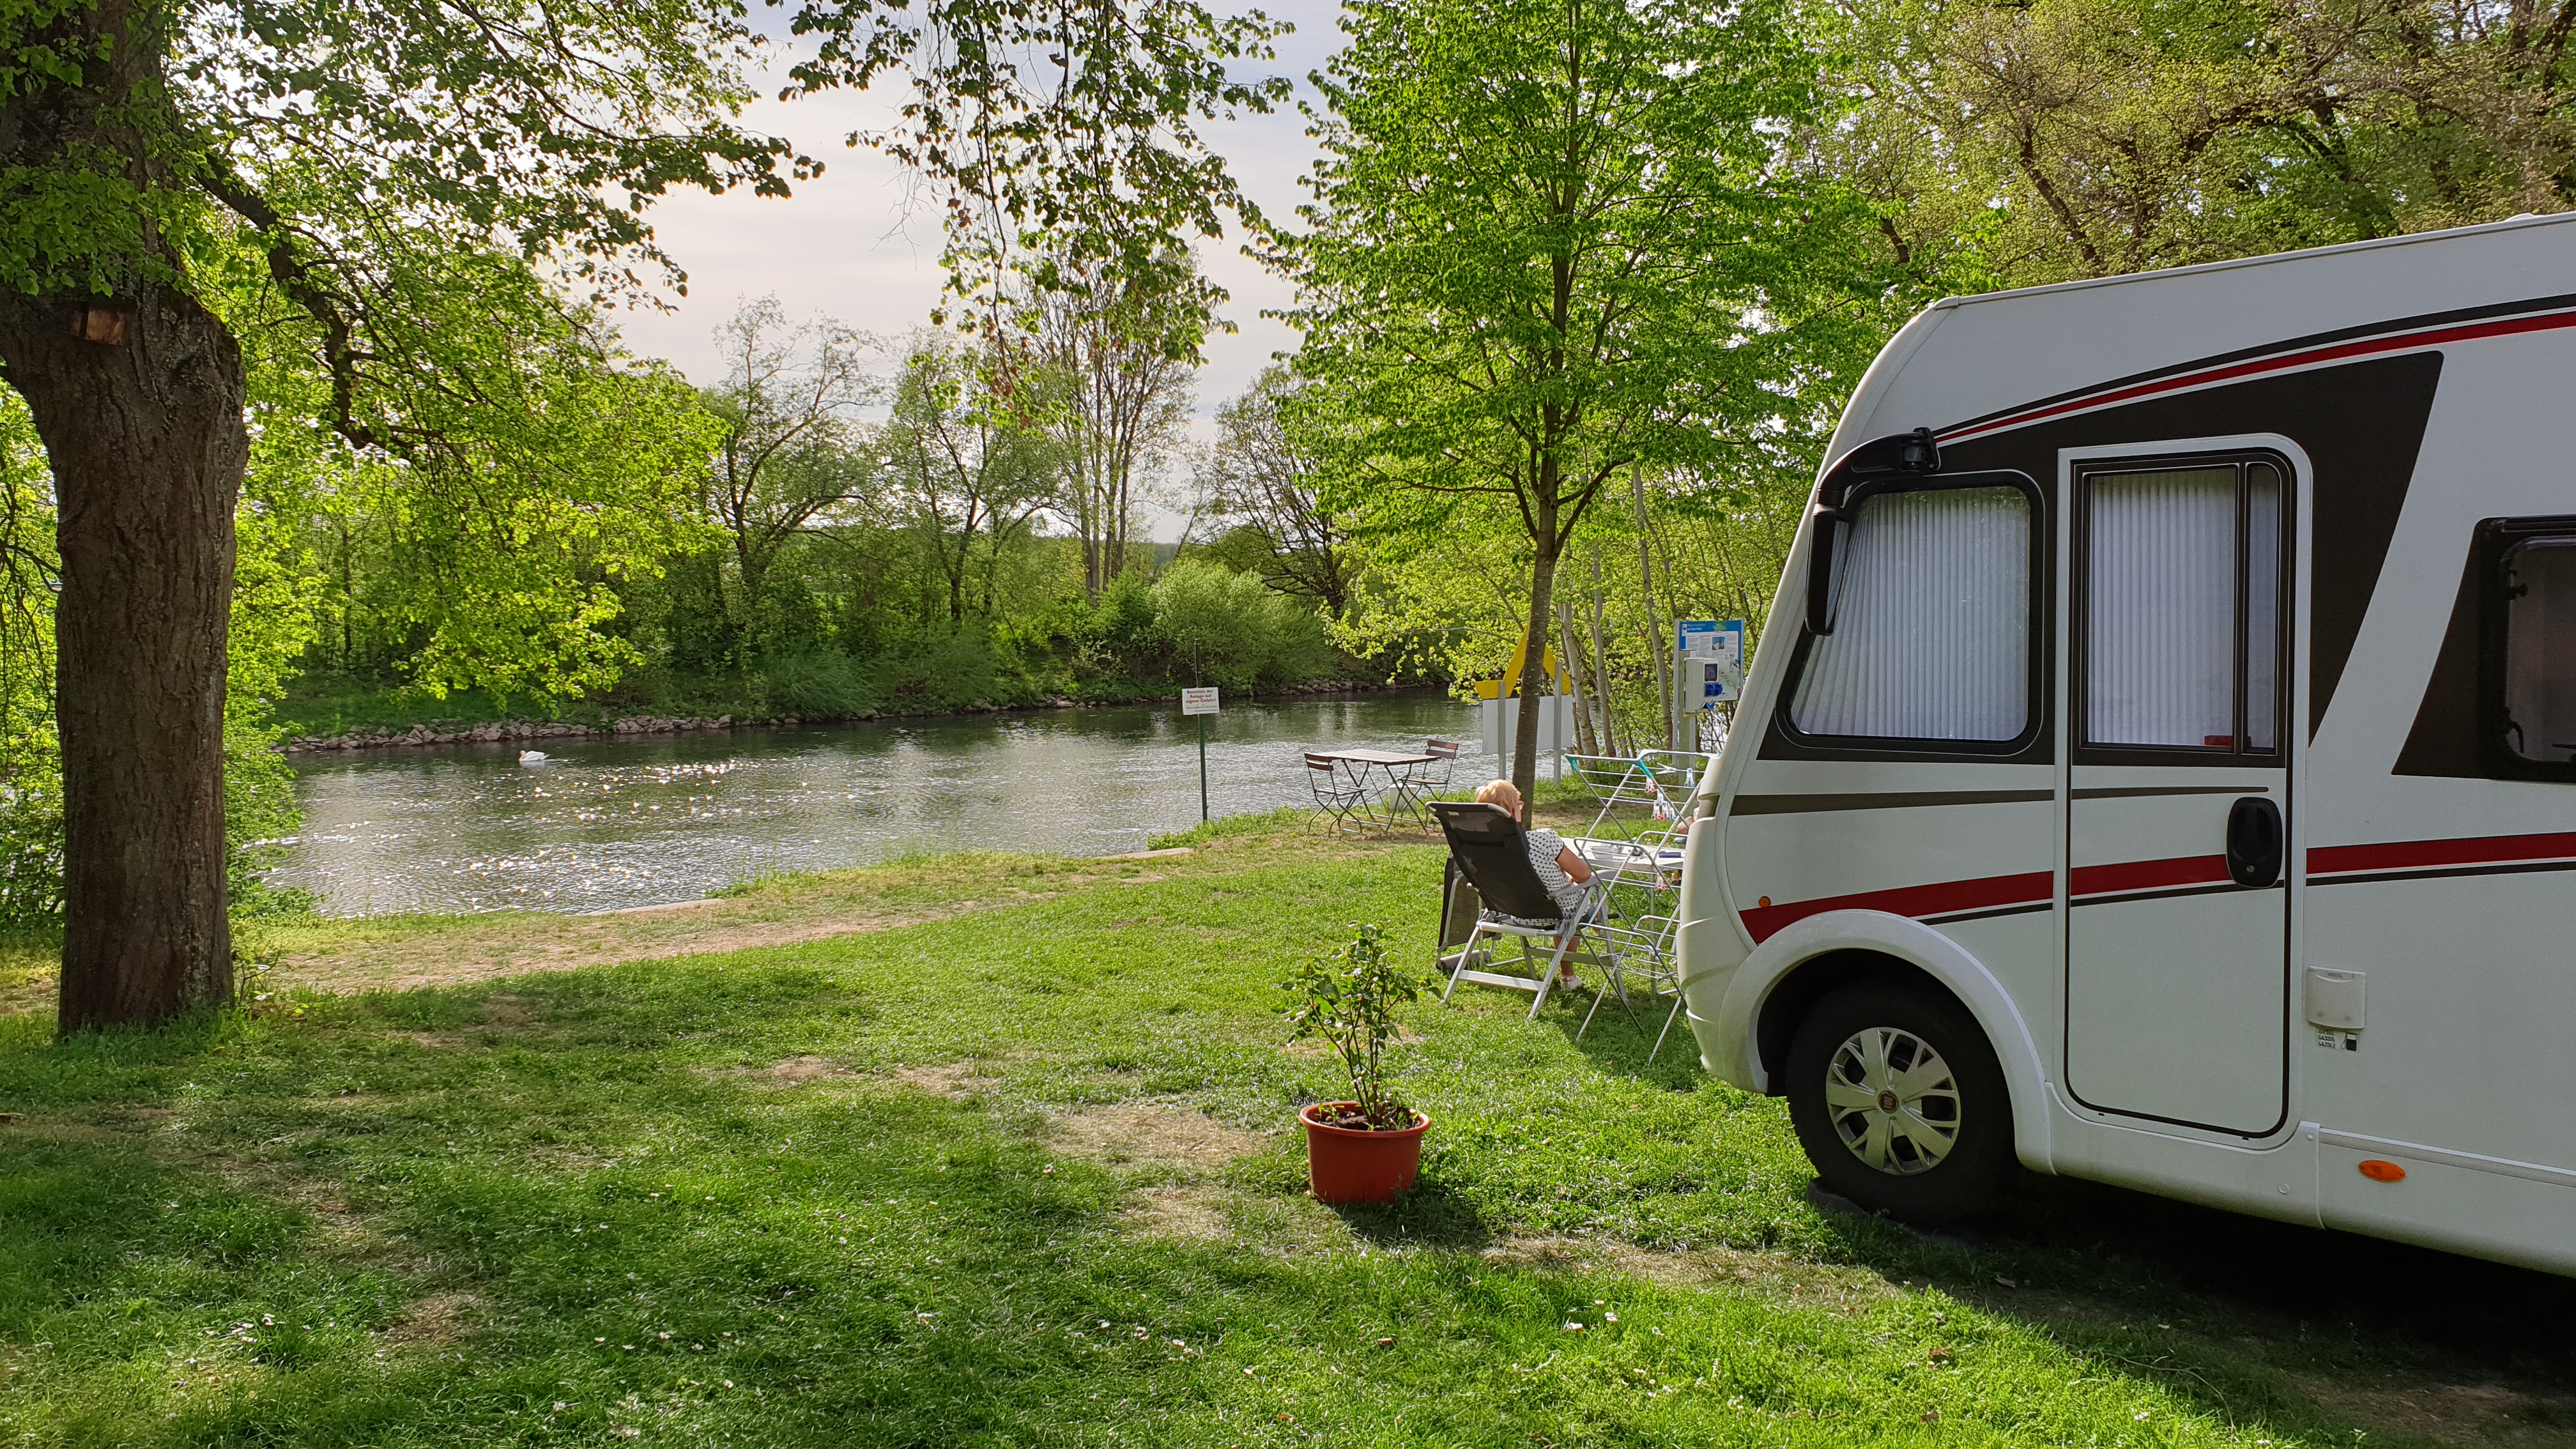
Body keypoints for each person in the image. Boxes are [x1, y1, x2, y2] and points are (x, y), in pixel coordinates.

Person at [1472, 779, 1593, 990]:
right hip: (1557, 912)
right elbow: (1583, 874)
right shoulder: (1543, 840)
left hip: (1515, 913)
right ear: (1513, 811)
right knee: (1584, 905)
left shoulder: (1480, 847)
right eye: (1519, 805)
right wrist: (1573, 879)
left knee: (1570, 906)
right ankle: (1568, 976)